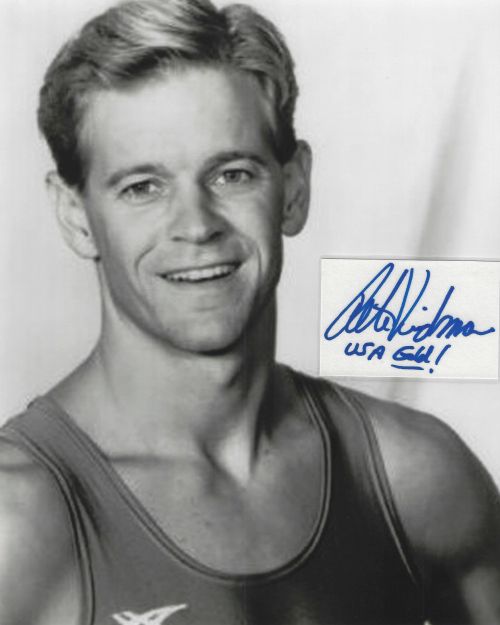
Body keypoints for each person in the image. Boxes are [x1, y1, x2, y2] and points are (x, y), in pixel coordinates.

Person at [0, 0, 499, 623]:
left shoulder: (415, 476)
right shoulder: (18, 519)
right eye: (142, 187)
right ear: (75, 216)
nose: (196, 225)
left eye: (232, 175)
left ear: (293, 189)